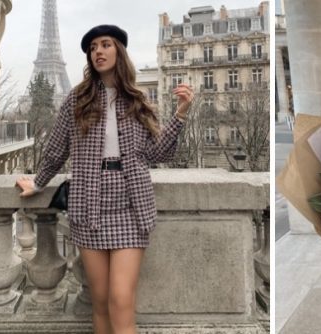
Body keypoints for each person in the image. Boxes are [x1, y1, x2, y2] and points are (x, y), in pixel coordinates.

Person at [15, 24, 194, 334]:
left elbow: (157, 153)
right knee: (98, 300)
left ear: (119, 51)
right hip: (88, 204)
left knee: (121, 300)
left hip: (130, 204)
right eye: (93, 47)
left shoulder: (136, 100)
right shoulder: (77, 99)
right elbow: (57, 148)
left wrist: (180, 114)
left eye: (106, 44)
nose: (98, 51)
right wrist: (39, 182)